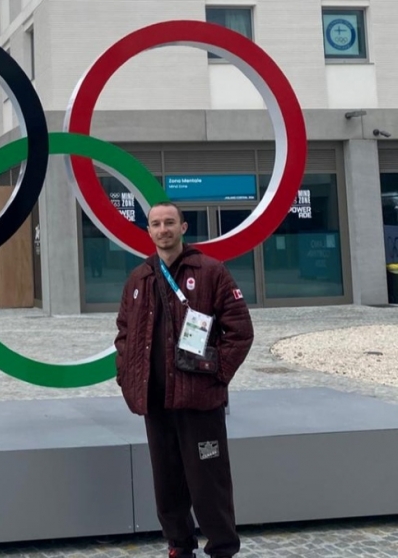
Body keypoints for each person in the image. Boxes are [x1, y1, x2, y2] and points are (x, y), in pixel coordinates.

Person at [114, 201, 254, 558]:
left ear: (184, 227)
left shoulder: (210, 272)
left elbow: (239, 331)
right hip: (155, 400)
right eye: (156, 224)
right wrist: (126, 377)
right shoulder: (139, 279)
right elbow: (124, 333)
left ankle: (222, 547)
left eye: (170, 223)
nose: (163, 229)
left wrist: (217, 374)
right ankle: (179, 545)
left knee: (209, 481)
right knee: (167, 480)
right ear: (148, 231)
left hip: (198, 399)